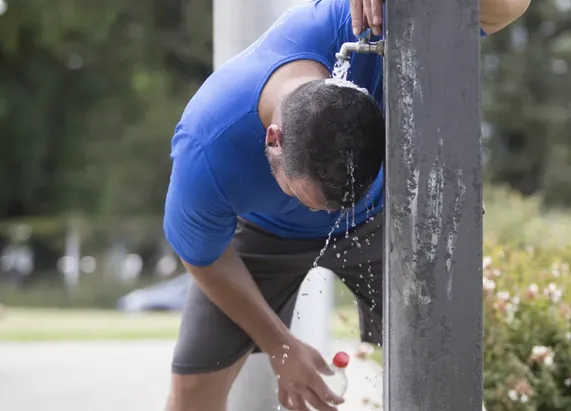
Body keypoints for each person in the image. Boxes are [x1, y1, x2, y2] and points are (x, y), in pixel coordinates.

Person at [162, 0, 530, 410]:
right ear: (273, 139)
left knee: (449, 354)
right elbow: (202, 256)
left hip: (376, 222)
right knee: (192, 393)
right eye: (310, 200)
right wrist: (282, 348)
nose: (331, 216)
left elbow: (509, 7)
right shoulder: (206, 148)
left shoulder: (366, 20)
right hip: (265, 235)